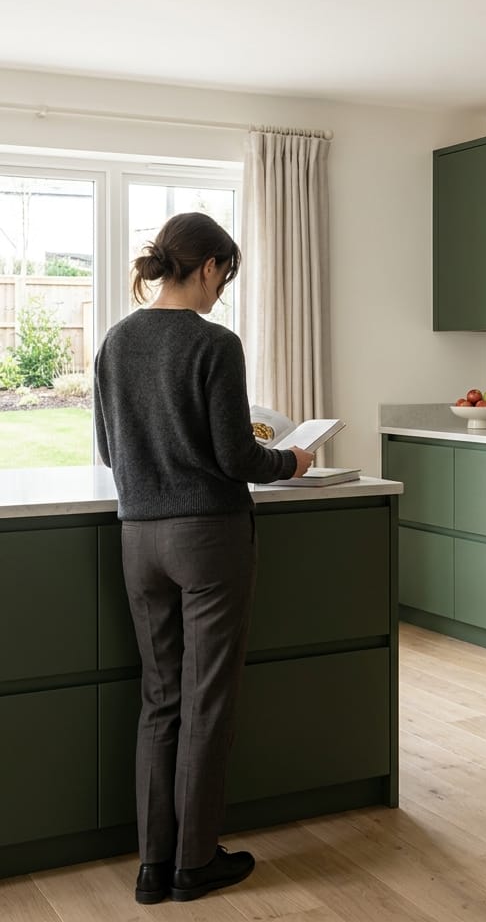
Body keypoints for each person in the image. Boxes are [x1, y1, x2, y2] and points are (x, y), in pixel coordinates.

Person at [93, 212, 314, 904]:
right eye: (226, 275)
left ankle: (152, 868)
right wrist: (294, 459)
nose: (224, 290)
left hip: (139, 538)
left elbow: (109, 449)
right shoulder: (215, 344)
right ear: (210, 267)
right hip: (208, 537)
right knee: (206, 700)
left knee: (160, 700)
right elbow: (237, 456)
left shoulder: (114, 340)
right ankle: (195, 863)